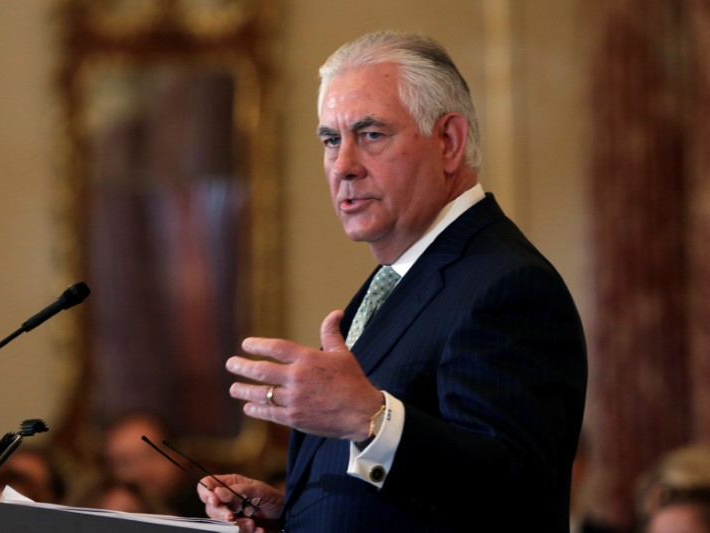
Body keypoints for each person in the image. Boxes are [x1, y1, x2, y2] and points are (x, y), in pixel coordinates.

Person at [198, 30, 587, 532]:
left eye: (372, 135)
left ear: (449, 142)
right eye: (331, 140)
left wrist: (372, 420)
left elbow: (516, 494)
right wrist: (296, 516)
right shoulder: (400, 276)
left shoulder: (506, 286)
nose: (343, 166)